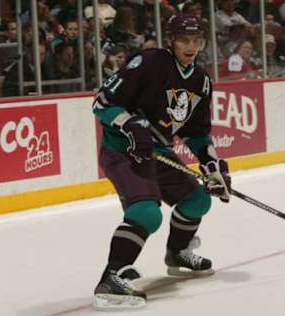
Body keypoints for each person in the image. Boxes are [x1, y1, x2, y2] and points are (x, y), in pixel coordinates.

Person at [91, 13, 232, 310]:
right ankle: (111, 278)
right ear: (172, 40)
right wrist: (130, 125)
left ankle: (178, 253)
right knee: (147, 214)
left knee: (197, 201)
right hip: (124, 151)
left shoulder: (201, 81)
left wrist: (212, 166)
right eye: (184, 40)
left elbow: (197, 134)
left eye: (196, 40)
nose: (190, 46)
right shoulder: (151, 62)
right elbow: (102, 103)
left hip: (160, 154)